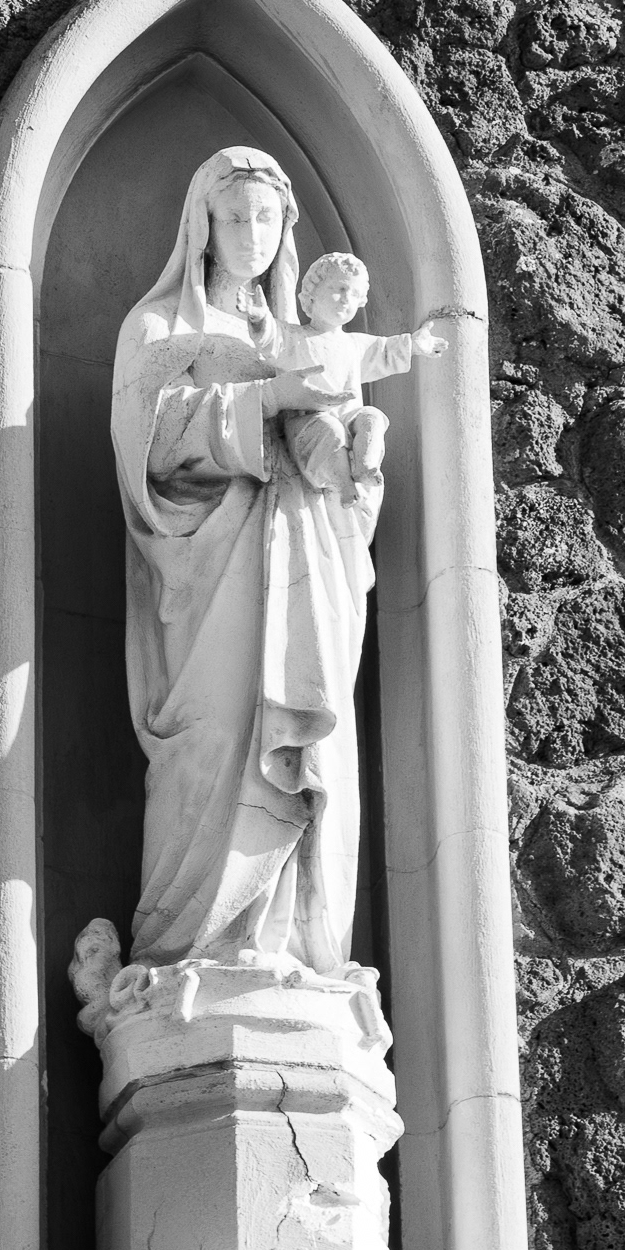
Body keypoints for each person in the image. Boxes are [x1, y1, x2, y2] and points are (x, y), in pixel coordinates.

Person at [111, 146, 420, 976]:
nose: (250, 233)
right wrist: (267, 401)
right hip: (208, 583)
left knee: (305, 745)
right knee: (213, 745)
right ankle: (189, 951)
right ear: (202, 228)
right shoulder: (161, 329)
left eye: (265, 218)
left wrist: (361, 451)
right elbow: (147, 448)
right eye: (234, 216)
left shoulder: (302, 337)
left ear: (286, 229)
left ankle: (292, 950)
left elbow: (345, 492)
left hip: (306, 568)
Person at [276, 252, 447, 511]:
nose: (346, 299)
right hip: (308, 424)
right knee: (330, 430)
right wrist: (257, 321)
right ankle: (344, 484)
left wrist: (414, 344)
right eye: (339, 289)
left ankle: (365, 466)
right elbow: (270, 340)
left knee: (372, 417)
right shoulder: (296, 338)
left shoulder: (354, 344)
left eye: (354, 294)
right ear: (310, 296)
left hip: (348, 419)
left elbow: (385, 351)